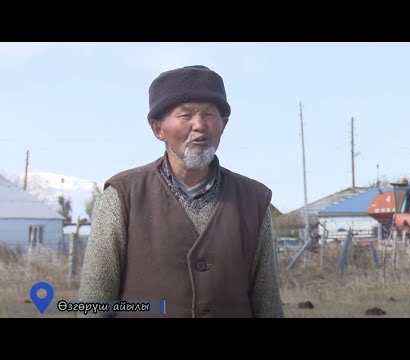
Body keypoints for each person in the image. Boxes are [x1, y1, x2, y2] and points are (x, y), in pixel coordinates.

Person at [78, 65, 284, 318]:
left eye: (209, 114)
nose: (199, 125)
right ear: (158, 129)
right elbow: (95, 301)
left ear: (224, 124)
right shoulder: (122, 196)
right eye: (185, 115)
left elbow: (268, 303)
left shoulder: (253, 200)